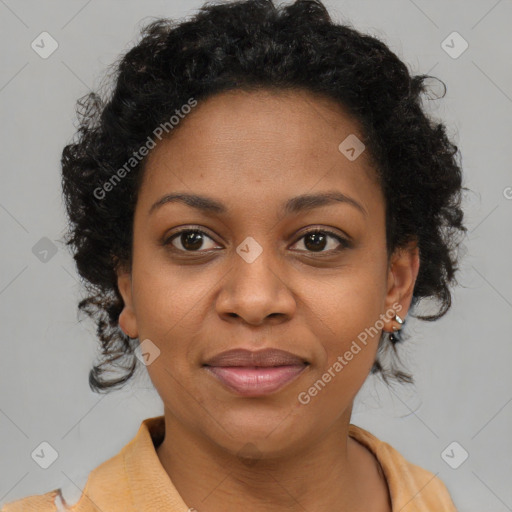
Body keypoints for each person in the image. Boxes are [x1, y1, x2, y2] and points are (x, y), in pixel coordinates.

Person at [1, 0, 466, 510]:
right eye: (192, 240)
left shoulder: (430, 499)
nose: (253, 299)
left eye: (317, 240)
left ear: (394, 282)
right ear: (127, 284)